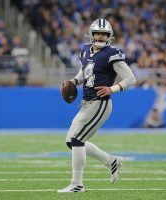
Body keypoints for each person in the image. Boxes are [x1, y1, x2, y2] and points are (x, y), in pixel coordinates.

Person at [57, 18, 136, 193]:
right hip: (86, 103)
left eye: (104, 34)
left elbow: (131, 78)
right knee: (71, 141)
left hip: (100, 104)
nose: (100, 36)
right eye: (98, 33)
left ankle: (76, 184)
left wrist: (112, 89)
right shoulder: (85, 51)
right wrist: (73, 81)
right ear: (92, 35)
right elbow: (84, 72)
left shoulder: (111, 53)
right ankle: (111, 161)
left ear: (109, 36)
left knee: (77, 140)